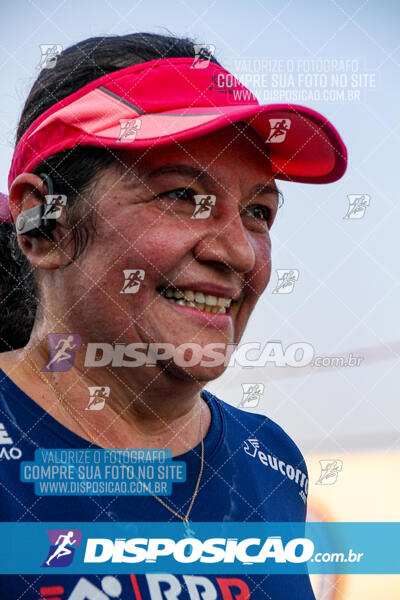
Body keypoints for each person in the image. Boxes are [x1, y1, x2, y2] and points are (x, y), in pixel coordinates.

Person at [0, 32, 347, 599]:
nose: (237, 253)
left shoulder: (273, 460)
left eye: (259, 212)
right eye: (184, 196)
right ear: (45, 225)